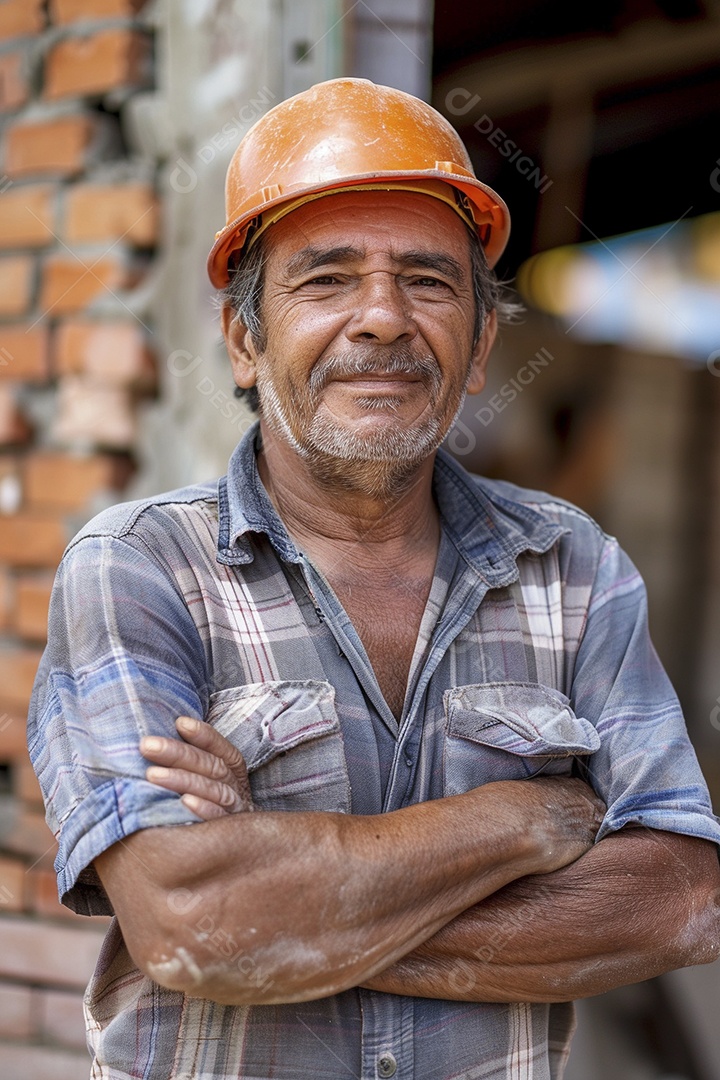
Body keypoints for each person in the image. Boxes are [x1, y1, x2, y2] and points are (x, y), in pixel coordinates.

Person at [29, 78, 720, 1080]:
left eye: (430, 282)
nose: (384, 319)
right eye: (326, 280)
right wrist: (530, 818)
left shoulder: (572, 567)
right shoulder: (140, 569)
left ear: (482, 346)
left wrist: (287, 907)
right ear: (242, 341)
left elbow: (684, 899)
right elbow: (192, 925)